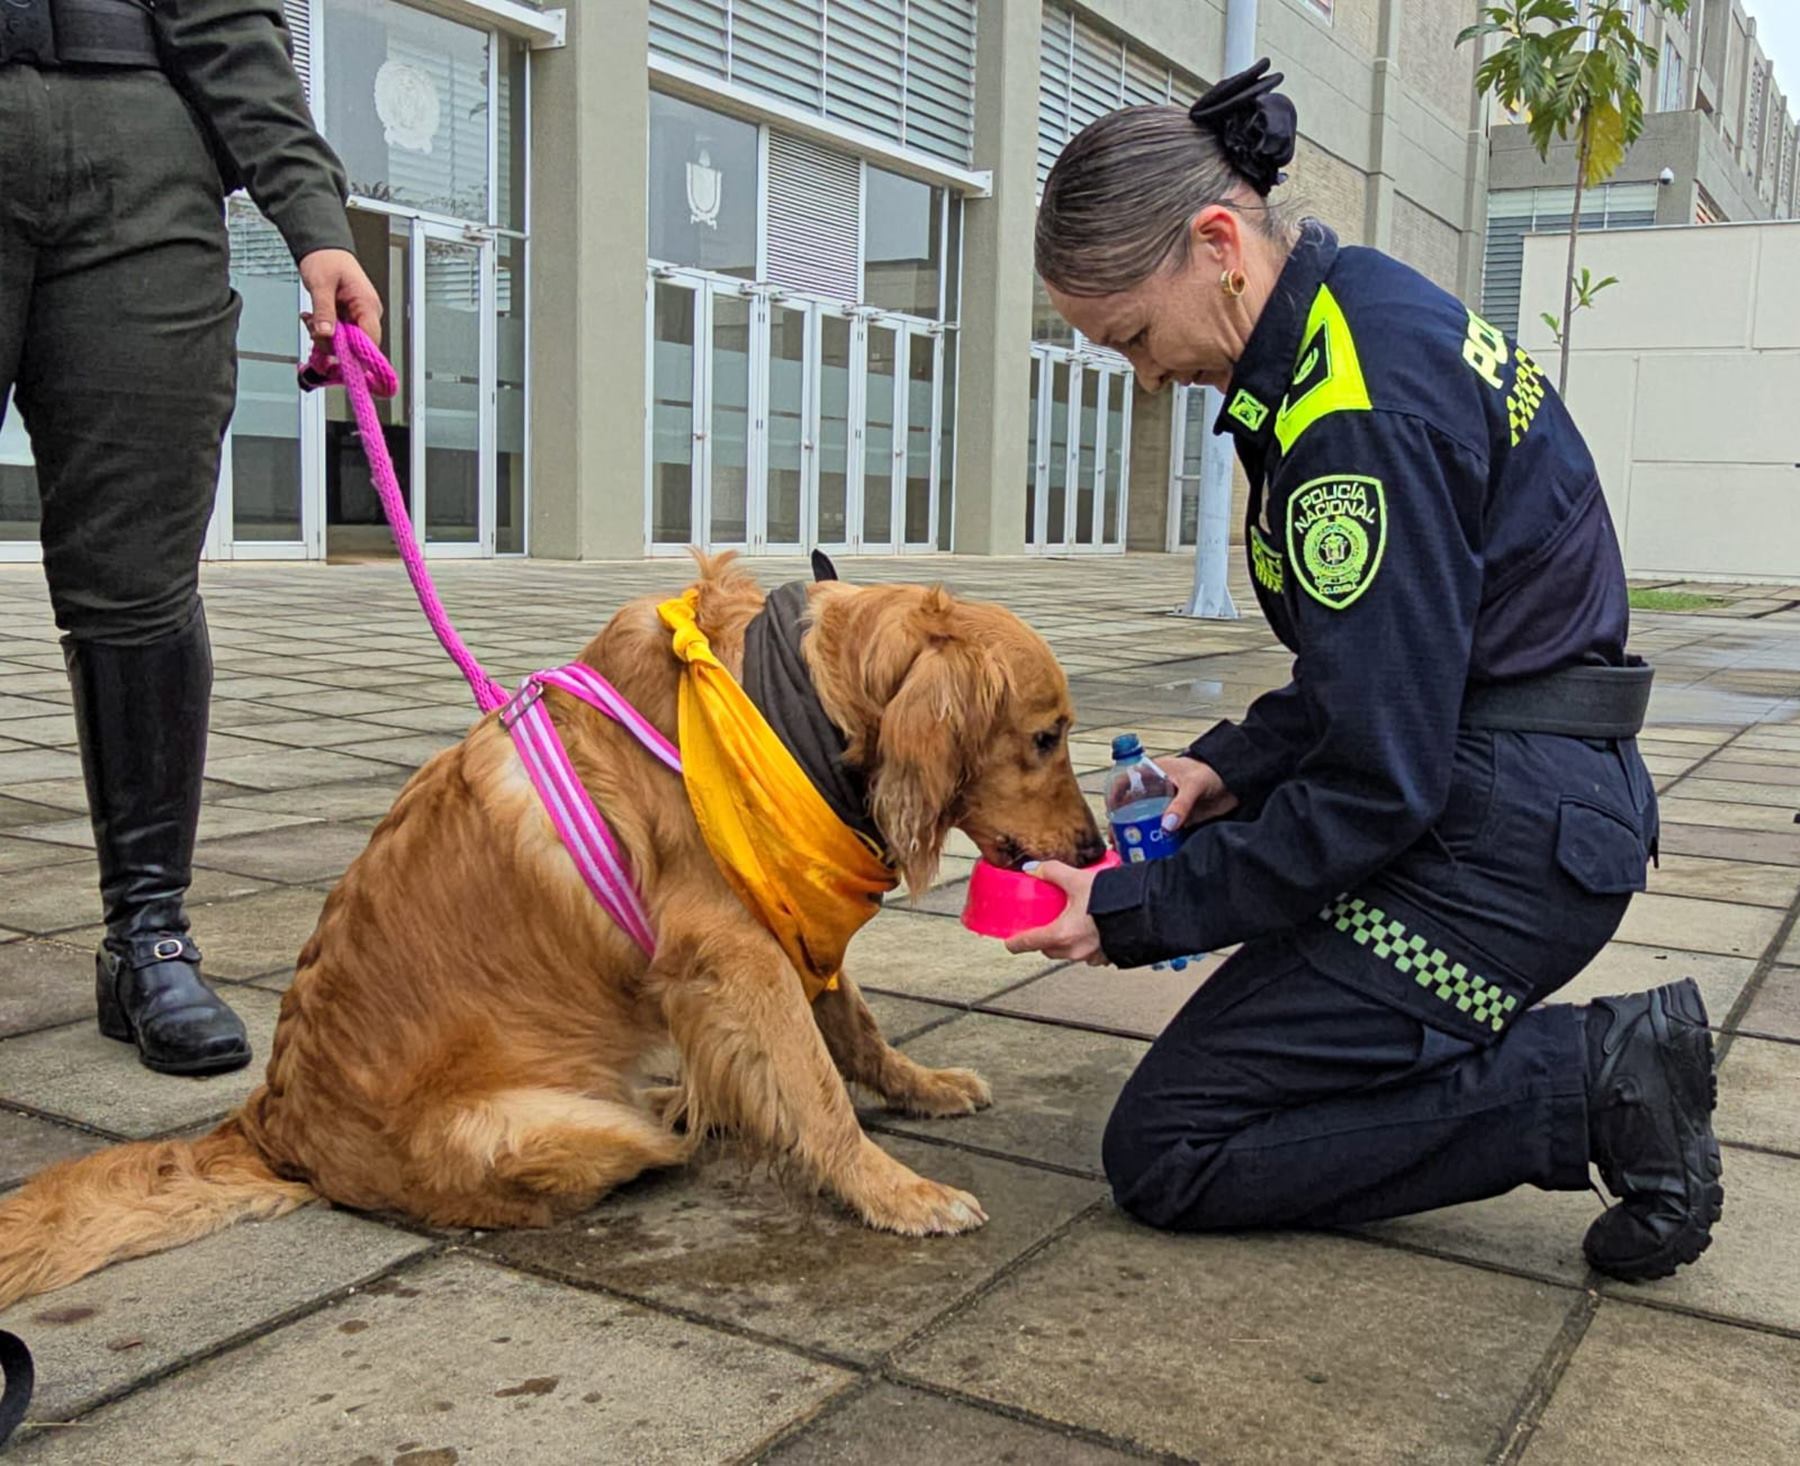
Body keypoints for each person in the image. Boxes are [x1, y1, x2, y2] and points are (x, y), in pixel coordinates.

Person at [1009, 61, 1721, 1283]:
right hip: (1512, 793)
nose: (1145, 373)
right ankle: (1503, 1060)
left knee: (1174, 1146)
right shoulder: (1350, 328)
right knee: (1253, 1067)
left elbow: (1377, 778)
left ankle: (1596, 1079)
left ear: (1217, 243)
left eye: (1131, 334)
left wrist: (1135, 913)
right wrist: (1218, 773)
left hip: (1503, 844)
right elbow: (1386, 668)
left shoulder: (1356, 411)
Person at [0, 0, 380, 1074]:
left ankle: (148, 934)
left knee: (136, 577)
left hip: (142, 154)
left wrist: (312, 218)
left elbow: (226, 20)